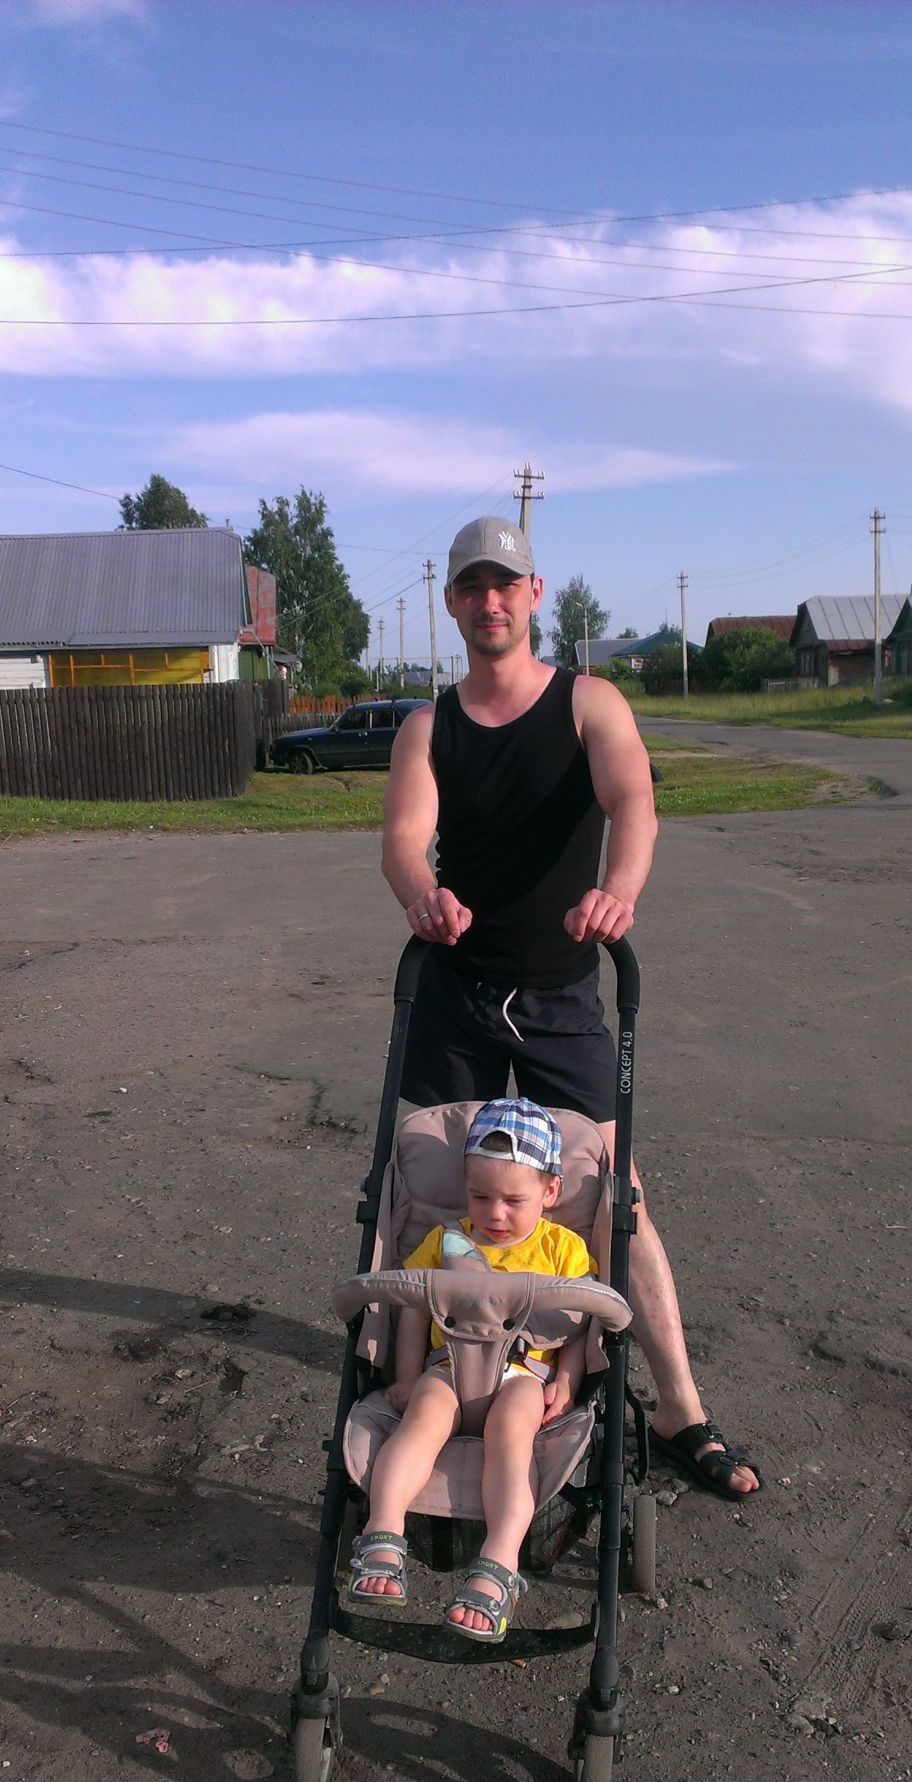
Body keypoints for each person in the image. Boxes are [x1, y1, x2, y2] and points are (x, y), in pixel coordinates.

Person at [381, 516, 759, 1498]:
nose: (490, 601)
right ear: (452, 601)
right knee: (431, 1188)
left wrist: (618, 890)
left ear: (535, 593)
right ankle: (433, 1375)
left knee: (616, 1197)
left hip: (561, 994)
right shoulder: (428, 727)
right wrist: (422, 893)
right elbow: (405, 838)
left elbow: (634, 803)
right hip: (456, 990)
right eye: (473, 586)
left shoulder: (589, 704)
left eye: (506, 584)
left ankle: (678, 1407)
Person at [348, 1097, 593, 1640]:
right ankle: (383, 1530)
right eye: (480, 1196)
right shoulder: (446, 1241)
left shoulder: (563, 1248)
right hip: (448, 1366)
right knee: (420, 1422)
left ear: (550, 1192)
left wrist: (567, 1380)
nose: (495, 1214)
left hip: (523, 1374)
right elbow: (414, 1308)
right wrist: (405, 1375)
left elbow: (579, 1324)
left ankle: (500, 1560)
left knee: (512, 1439)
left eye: (513, 1200)